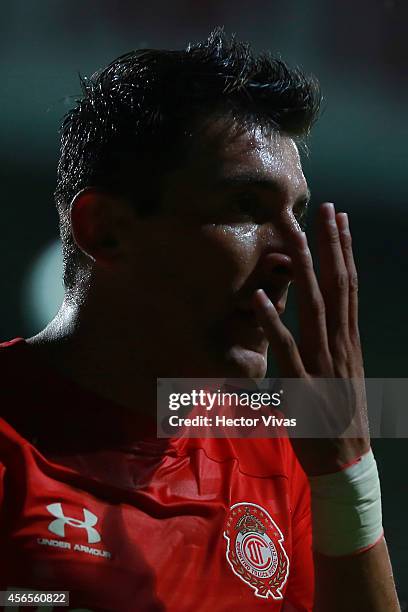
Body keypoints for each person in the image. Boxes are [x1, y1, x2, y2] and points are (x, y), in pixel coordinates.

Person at [0, 28, 400, 611]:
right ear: (106, 230)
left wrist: (349, 476)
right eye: (246, 208)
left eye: (297, 214)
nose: (293, 258)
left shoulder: (284, 456)